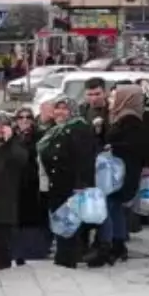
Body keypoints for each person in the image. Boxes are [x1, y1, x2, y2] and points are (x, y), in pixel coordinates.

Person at [89, 84, 146, 267]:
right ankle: (118, 244)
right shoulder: (122, 116)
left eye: (115, 97)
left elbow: (134, 146)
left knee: (107, 206)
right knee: (114, 207)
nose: (111, 101)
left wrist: (111, 146)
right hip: (119, 171)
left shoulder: (130, 120)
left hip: (121, 173)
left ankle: (107, 248)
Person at [38, 98, 98, 268]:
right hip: (56, 183)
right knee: (60, 220)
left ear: (72, 111)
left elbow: (85, 159)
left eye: (65, 109)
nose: (60, 112)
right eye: (57, 109)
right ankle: (63, 255)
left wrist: (81, 184)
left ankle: (69, 258)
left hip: (72, 185)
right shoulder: (56, 129)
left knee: (71, 222)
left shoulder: (79, 128)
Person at [0, 113, 28, 271]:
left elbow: (22, 160)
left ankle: (4, 265)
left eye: (4, 126)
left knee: (3, 236)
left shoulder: (16, 145)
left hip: (6, 198)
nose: (0, 130)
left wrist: (10, 142)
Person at [12, 108, 48, 263]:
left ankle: (36, 248)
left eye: (28, 117)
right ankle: (18, 250)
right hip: (16, 182)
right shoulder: (12, 136)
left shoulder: (40, 135)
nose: (24, 120)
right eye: (21, 117)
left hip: (35, 181)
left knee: (34, 214)